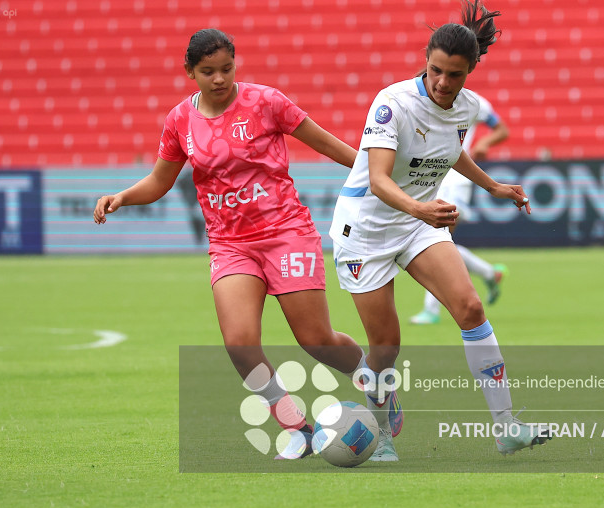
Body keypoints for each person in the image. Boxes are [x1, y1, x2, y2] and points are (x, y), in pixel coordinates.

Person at [93, 29, 402, 460]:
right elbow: (161, 181)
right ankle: (298, 428)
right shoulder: (180, 121)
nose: (219, 79)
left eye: (226, 68)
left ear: (235, 64)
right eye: (207, 72)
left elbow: (330, 145)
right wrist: (122, 196)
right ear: (190, 73)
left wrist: (384, 178)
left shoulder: (266, 102)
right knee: (239, 342)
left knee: (315, 339)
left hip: (286, 233)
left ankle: (373, 379)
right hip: (230, 245)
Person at [329, 0, 550, 461]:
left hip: (415, 223)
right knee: (386, 348)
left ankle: (507, 428)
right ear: (425, 60)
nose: (444, 83)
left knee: (470, 307)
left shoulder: (465, 108)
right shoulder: (392, 103)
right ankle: (382, 429)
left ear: (470, 72)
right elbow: (378, 179)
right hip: (365, 232)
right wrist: (422, 209)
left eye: (455, 75)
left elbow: (451, 151)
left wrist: (493, 186)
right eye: (436, 71)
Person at [409, 93, 510, 325]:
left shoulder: (475, 102)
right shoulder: (422, 98)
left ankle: (431, 310)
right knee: (438, 243)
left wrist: (484, 143)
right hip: (429, 180)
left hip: (455, 180)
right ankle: (489, 273)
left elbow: (502, 129)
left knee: (434, 241)